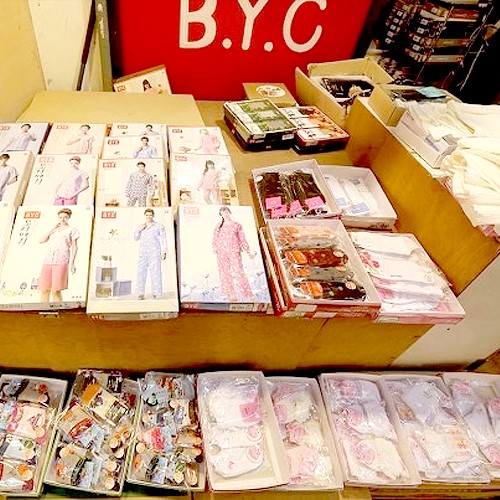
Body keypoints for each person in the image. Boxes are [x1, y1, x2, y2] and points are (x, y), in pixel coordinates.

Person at [212, 207, 256, 301]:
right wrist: (214, 248)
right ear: (221, 215)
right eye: (223, 213)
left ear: (229, 212)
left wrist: (248, 252)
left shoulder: (237, 225)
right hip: (221, 252)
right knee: (225, 273)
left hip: (234, 251)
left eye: (226, 212)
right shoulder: (219, 226)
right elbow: (215, 238)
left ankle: (248, 294)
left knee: (238, 271)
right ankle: (231, 295)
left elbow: (242, 238)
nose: (225, 215)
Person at [38, 208, 79, 303]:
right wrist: (52, 229)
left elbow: (75, 247)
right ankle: (43, 309)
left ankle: (57, 310)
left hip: (61, 261)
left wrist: (72, 263)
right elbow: (41, 240)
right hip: (48, 261)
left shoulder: (72, 230)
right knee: (44, 289)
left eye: (65, 217)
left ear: (69, 218)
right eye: (60, 217)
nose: (62, 219)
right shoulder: (54, 230)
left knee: (56, 290)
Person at [133, 208, 167, 300]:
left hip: (155, 252)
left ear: (153, 215)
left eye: (150, 215)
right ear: (145, 215)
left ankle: (157, 293)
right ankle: (140, 293)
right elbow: (136, 238)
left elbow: (163, 239)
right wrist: (138, 229)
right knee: (141, 272)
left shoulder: (159, 226)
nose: (149, 217)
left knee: (155, 272)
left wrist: (164, 252)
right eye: (147, 215)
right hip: (143, 252)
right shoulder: (142, 227)